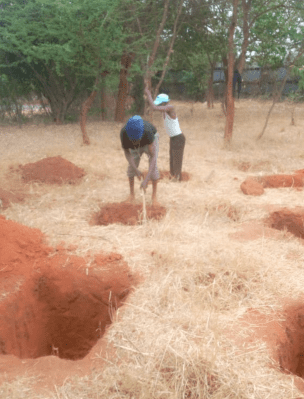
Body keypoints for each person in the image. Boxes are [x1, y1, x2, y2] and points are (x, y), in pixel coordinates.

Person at [145, 87, 185, 181]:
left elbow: (154, 107)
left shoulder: (170, 108)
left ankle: (177, 178)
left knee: (177, 158)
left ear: (163, 102)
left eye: (160, 102)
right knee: (172, 157)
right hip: (173, 138)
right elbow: (153, 106)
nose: (158, 104)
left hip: (178, 138)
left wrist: (149, 94)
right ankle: (173, 176)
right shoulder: (165, 110)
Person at [120, 115, 159, 206]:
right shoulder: (124, 134)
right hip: (139, 139)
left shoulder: (148, 132)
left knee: (153, 169)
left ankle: (154, 197)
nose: (136, 144)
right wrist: (136, 169)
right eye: (133, 141)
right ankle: (131, 195)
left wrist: (147, 179)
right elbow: (127, 153)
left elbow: (153, 157)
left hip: (150, 141)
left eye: (137, 141)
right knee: (130, 169)